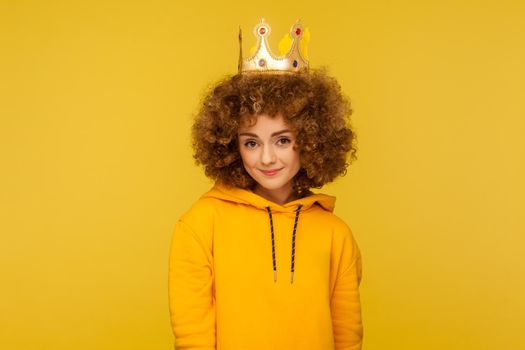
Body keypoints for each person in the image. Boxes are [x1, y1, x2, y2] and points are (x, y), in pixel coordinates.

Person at [168, 19, 363, 350]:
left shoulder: (336, 232)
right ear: (230, 144)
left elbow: (347, 335)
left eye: (283, 140)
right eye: (252, 143)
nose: (267, 158)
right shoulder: (200, 224)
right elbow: (193, 336)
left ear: (312, 139)